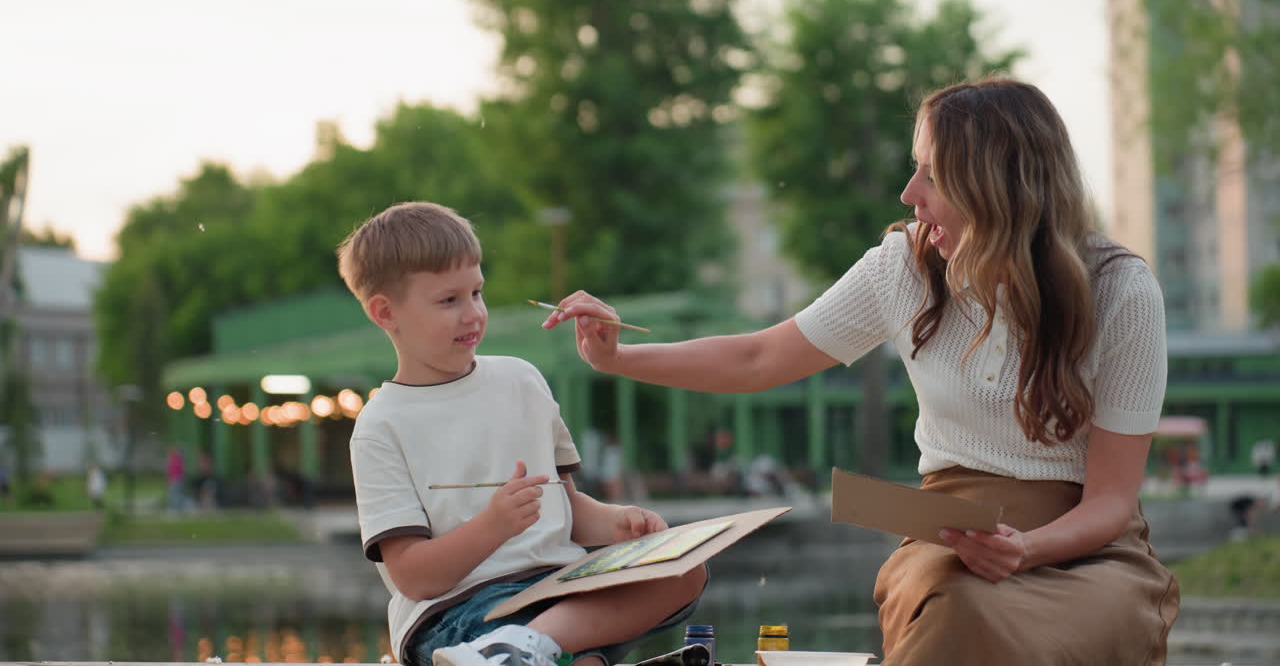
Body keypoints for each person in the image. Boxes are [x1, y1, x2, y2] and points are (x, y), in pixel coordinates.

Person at [544, 78, 1179, 665]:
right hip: (955, 543)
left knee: (1052, 625)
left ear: (996, 186)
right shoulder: (903, 267)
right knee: (959, 610)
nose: (909, 194)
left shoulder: (1121, 292)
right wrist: (616, 356)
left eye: (932, 173)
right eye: (914, 167)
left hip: (1088, 554)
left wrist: (1028, 550)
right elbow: (761, 357)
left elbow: (1111, 503)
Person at [336, 202, 706, 666]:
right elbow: (412, 577)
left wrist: (620, 523)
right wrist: (492, 528)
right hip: (458, 611)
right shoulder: (380, 425)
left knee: (686, 569)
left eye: (477, 293)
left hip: (560, 589)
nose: (472, 313)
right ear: (385, 312)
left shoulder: (522, 380)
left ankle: (524, 650)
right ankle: (514, 649)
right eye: (449, 301)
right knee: (580, 656)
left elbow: (563, 506)